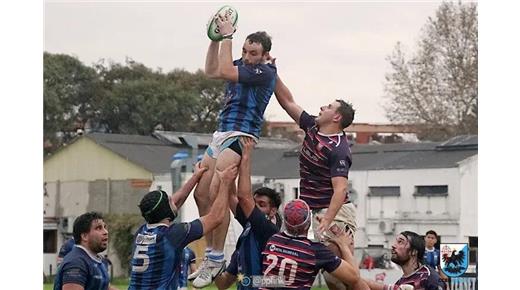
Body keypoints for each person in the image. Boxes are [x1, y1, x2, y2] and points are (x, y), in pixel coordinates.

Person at [191, 12, 278, 288]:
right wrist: (214, 40)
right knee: (201, 192)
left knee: (219, 189)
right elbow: (213, 70)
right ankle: (210, 255)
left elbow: (227, 71)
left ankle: (216, 256)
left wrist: (228, 35)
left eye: (253, 53)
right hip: (220, 134)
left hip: (241, 135)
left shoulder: (264, 72)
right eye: (244, 50)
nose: (247, 56)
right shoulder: (240, 64)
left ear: (265, 56)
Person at [272, 72, 356, 242]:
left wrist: (327, 220)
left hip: (334, 212)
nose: (323, 107)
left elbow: (340, 190)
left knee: (335, 266)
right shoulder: (312, 126)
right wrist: (272, 74)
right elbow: (288, 102)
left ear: (336, 117)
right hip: (311, 209)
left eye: (329, 107)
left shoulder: (339, 149)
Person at [128, 162, 237, 289]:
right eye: (170, 201)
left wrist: (195, 177)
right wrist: (225, 183)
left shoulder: (141, 232)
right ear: (166, 211)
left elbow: (176, 201)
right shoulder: (172, 235)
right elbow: (216, 217)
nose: (174, 201)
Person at [214, 137, 282, 289]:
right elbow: (223, 284)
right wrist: (214, 263)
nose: (255, 207)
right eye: (254, 202)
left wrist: (245, 156)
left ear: (273, 211)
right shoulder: (247, 233)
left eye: (261, 205)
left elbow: (282, 281)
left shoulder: (269, 231)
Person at [261, 199, 360, 289]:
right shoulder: (314, 251)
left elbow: (271, 281)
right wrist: (343, 245)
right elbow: (354, 278)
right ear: (309, 222)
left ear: (285, 223)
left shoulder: (273, 240)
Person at [53, 212, 118, 290]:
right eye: (98, 228)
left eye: (104, 227)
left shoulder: (97, 260)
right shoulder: (76, 262)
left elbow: (104, 287)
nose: (105, 232)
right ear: (84, 236)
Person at [364, 231, 445, 290]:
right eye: (395, 242)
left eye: (400, 242)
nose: (393, 245)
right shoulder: (400, 282)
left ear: (413, 251)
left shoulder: (429, 278)